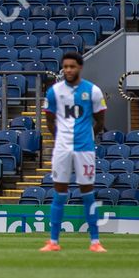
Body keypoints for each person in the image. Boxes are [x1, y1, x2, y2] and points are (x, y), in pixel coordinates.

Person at [41, 52, 107, 253]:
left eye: (72, 66)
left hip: (84, 148)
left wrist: (86, 136)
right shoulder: (54, 91)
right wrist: (59, 139)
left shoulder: (93, 91)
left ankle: (95, 242)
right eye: (66, 67)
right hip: (62, 148)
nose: (68, 70)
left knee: (88, 193)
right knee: (59, 192)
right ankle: (53, 241)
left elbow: (100, 121)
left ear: (80, 67)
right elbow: (50, 120)